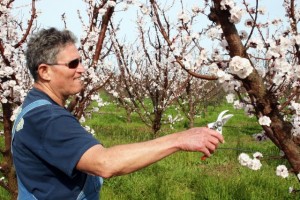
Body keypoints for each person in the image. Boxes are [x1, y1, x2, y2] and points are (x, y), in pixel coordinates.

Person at [11, 27, 224, 200]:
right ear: (45, 71)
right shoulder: (48, 120)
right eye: (73, 64)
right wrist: (180, 139)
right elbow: (104, 163)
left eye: (81, 61)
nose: (82, 69)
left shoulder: (33, 108)